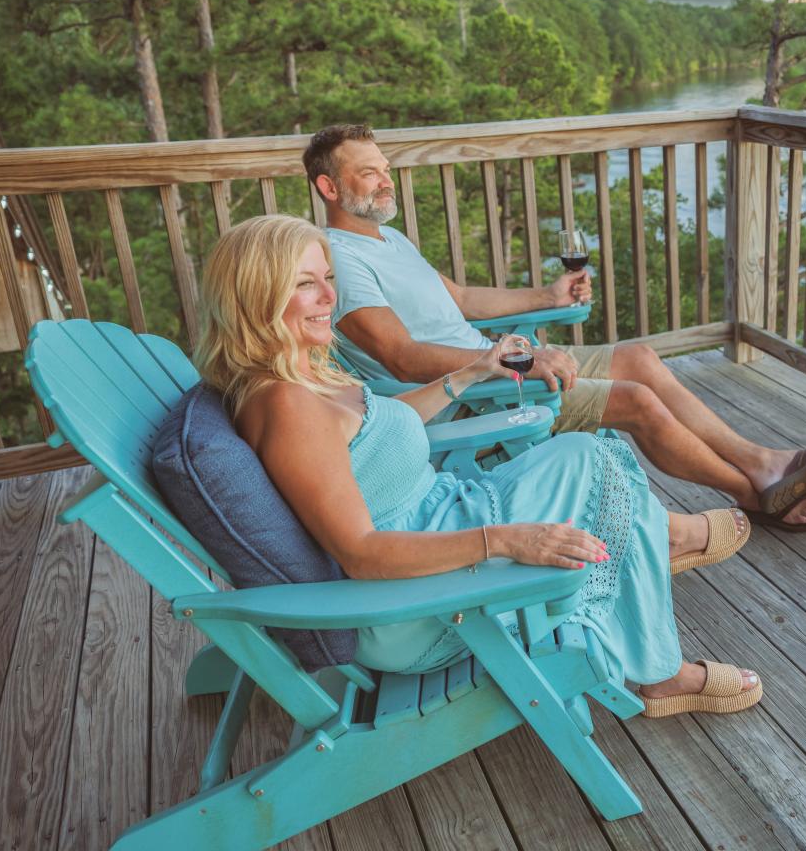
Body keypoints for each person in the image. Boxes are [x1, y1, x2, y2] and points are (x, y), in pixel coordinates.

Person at [193, 214, 761, 717]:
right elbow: (362, 553)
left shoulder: (302, 372)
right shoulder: (286, 404)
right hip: (412, 604)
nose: (328, 298)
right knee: (591, 467)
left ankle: (647, 555)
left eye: (329, 280)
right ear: (256, 295)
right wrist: (506, 541)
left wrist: (468, 374)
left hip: (443, 522)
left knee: (588, 452)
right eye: (304, 285)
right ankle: (660, 668)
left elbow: (378, 427)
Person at [306, 123, 806, 532]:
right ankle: (757, 496)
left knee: (637, 357)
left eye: (384, 168)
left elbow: (463, 298)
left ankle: (765, 463)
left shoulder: (388, 239)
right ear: (331, 188)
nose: (385, 182)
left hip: (494, 360)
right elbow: (400, 356)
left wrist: (548, 294)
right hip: (475, 392)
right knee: (635, 399)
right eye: (368, 172)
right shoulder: (340, 259)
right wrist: (510, 360)